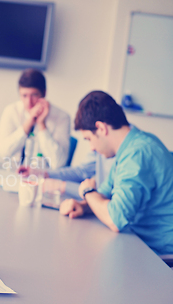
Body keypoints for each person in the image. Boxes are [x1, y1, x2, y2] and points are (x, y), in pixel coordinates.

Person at [59, 91, 173, 255]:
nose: (91, 148)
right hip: (139, 243)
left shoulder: (137, 153)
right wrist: (83, 207)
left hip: (159, 254)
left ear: (101, 128)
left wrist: (87, 192)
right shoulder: (130, 147)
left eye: (89, 139)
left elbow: (115, 219)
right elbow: (105, 196)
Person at [0, 68, 70, 169]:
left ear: (44, 93)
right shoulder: (11, 111)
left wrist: (41, 125)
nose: (29, 102)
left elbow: (59, 163)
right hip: (12, 174)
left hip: (43, 179)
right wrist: (28, 124)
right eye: (24, 96)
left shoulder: (62, 117)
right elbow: (1, 154)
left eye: (34, 95)